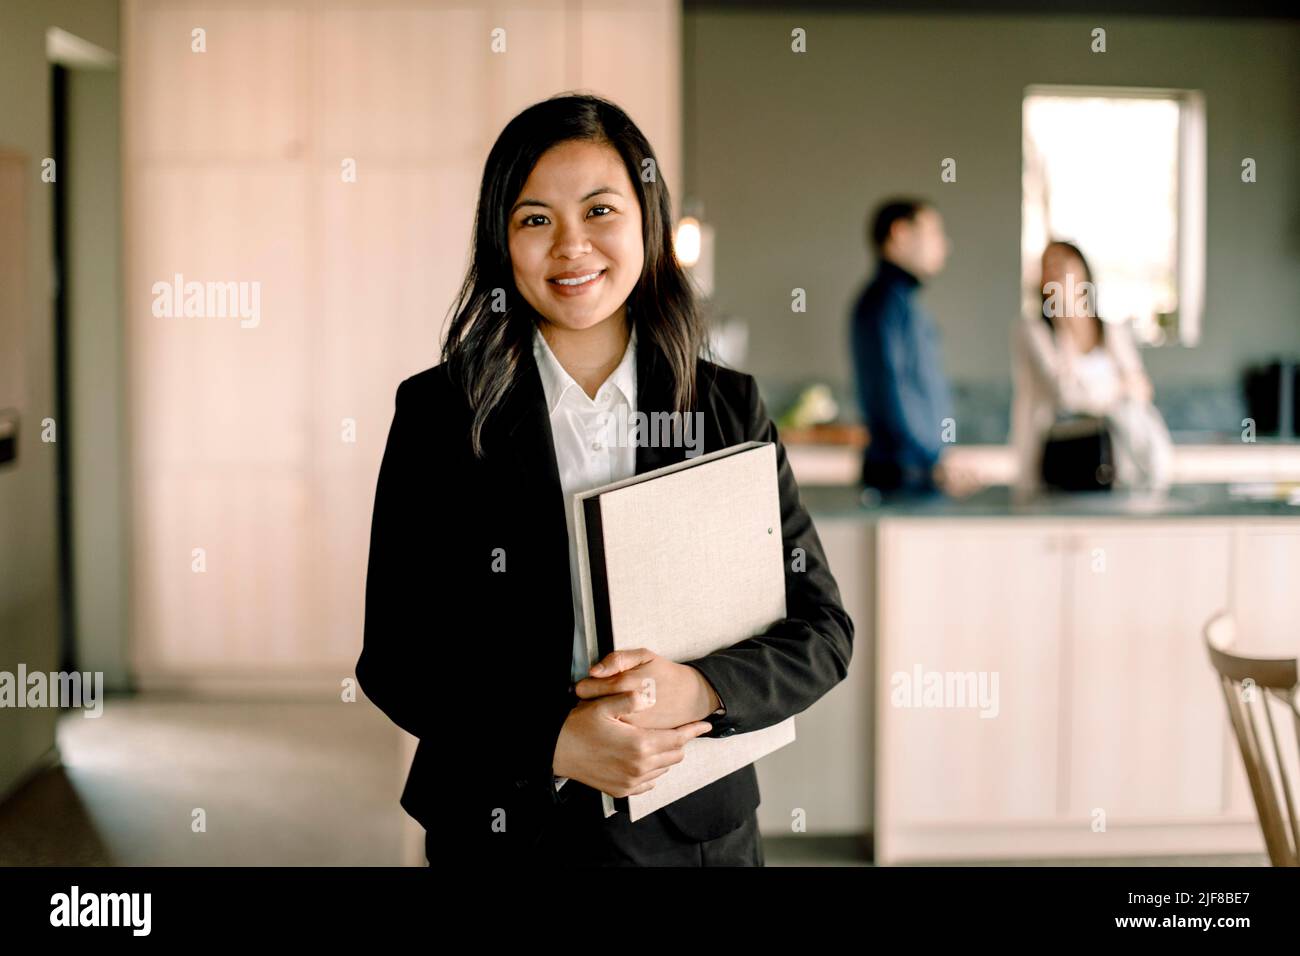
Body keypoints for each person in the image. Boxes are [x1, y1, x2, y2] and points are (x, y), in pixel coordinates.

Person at [355, 93, 854, 867]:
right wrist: (552, 741)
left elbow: (821, 631)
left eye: (599, 211)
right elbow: (397, 657)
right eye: (535, 219)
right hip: (500, 829)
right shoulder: (437, 413)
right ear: (502, 240)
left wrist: (699, 691)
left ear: (647, 224)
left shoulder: (724, 406)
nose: (571, 247)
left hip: (695, 835)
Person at [1011, 240, 1173, 494]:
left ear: (1082, 271)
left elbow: (1141, 389)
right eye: (1047, 267)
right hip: (1057, 463)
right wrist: (1118, 387)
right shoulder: (1035, 332)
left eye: (1062, 264)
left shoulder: (1111, 331)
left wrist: (1096, 391)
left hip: (1116, 465)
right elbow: (1066, 395)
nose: (1055, 272)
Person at [850, 198, 975, 497]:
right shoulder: (885, 305)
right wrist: (933, 461)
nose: (944, 245)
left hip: (913, 471)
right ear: (901, 233)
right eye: (933, 233)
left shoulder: (898, 303)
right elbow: (891, 391)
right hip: (904, 476)